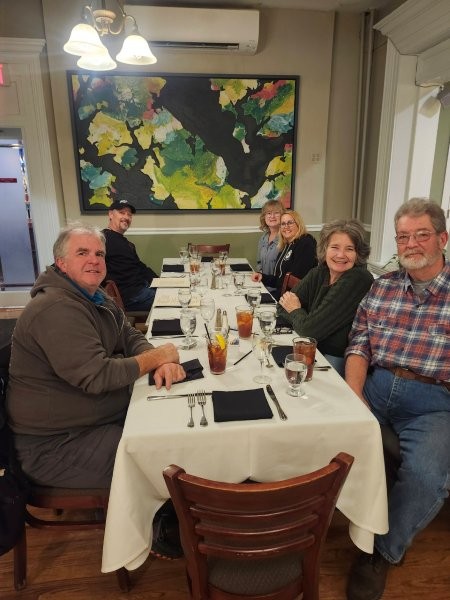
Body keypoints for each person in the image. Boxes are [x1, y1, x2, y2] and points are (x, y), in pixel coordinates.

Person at [6, 224, 185, 490]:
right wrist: (159, 357)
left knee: (174, 429)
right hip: (57, 444)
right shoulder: (56, 308)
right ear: (61, 263)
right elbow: (97, 375)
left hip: (96, 420)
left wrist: (157, 357)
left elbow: (128, 335)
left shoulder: (94, 295)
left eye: (99, 254)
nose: (94, 260)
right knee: (166, 460)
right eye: (82, 253)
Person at [345, 198, 450, 600]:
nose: (411, 244)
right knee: (320, 431)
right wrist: (355, 395)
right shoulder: (384, 286)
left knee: (427, 477)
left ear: (442, 238)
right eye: (403, 237)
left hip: (432, 402)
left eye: (421, 234)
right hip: (375, 386)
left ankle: (382, 553)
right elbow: (359, 345)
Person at [277, 219, 373, 376]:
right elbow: (281, 306)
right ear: (325, 248)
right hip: (309, 347)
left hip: (336, 357)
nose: (341, 255)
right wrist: (306, 321)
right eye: (334, 247)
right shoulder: (320, 271)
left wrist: (296, 310)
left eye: (349, 249)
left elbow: (309, 330)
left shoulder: (359, 278)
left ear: (358, 254)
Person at [102, 198, 157, 311]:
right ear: (111, 214)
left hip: (142, 288)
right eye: (122, 213)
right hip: (131, 297)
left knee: (175, 291)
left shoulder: (126, 243)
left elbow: (139, 266)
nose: (126, 217)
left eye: (129, 215)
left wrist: (160, 281)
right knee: (179, 299)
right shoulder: (102, 239)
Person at [251, 209, 317, 300]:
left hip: (293, 300)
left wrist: (276, 300)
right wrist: (262, 277)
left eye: (290, 223)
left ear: (298, 224)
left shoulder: (305, 243)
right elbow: (279, 279)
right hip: (281, 294)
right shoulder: (286, 245)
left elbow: (296, 281)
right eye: (283, 224)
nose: (286, 226)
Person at [256, 200, 284, 293]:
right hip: (262, 286)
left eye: (276, 213)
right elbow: (259, 262)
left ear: (282, 216)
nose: (272, 216)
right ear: (264, 217)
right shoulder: (264, 237)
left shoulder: (284, 238)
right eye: (268, 213)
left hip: (277, 290)